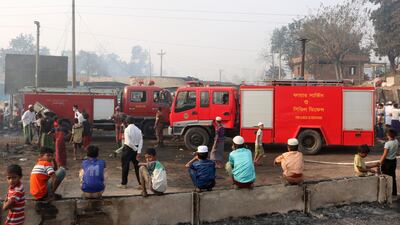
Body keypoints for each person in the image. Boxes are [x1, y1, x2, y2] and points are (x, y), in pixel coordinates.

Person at [118, 116, 143, 189]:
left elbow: (128, 142)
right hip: (136, 148)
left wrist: (135, 149)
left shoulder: (127, 129)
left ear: (127, 122)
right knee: (137, 167)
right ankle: (141, 184)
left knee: (125, 166)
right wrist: (138, 151)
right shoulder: (138, 130)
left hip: (128, 149)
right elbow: (141, 141)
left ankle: (124, 184)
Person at [380, 129, 398, 196]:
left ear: (388, 135)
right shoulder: (396, 141)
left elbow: (384, 155)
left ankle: (385, 193)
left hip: (387, 162)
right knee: (392, 177)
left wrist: (380, 163)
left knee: (385, 177)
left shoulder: (387, 144)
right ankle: (394, 192)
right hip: (393, 161)